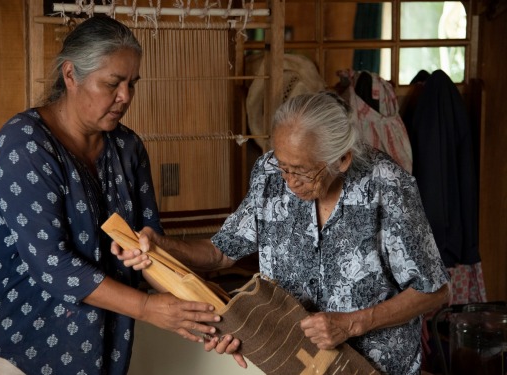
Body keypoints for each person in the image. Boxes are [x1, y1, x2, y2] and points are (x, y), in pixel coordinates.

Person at [0, 16, 223, 375]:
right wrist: (147, 307)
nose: (125, 96)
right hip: (10, 347)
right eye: (112, 83)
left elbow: (148, 248)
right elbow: (50, 263)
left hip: (94, 350)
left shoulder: (128, 147)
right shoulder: (24, 144)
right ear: (70, 75)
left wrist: (201, 308)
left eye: (131, 83)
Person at [115, 91, 451, 375]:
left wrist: (352, 323)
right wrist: (161, 246)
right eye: (284, 165)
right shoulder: (269, 173)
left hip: (373, 367)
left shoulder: (386, 186)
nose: (289, 181)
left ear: (342, 159)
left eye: (302, 171)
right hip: (294, 364)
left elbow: (434, 290)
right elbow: (221, 252)